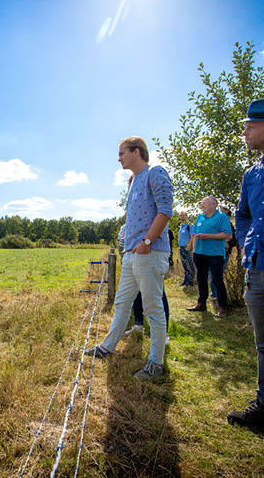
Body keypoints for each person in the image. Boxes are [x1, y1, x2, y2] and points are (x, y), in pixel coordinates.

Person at [85, 136, 173, 381]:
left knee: (152, 308)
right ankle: (106, 347)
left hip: (150, 252)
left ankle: (155, 362)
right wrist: (128, 245)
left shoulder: (156, 173)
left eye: (122, 154)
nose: (119, 159)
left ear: (136, 152)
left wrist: (146, 242)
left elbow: (166, 210)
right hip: (132, 254)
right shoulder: (133, 181)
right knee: (122, 303)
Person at [229, 99, 264, 429]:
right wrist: (246, 246)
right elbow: (242, 216)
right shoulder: (251, 176)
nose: (245, 133)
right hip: (257, 267)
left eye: (251, 127)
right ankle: (263, 404)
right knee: (262, 343)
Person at [186, 197, 232, 317]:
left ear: (214, 204)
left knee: (217, 280)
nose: (202, 206)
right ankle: (201, 303)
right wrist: (194, 251)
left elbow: (227, 235)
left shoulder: (222, 217)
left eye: (204, 204)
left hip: (215, 254)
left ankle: (223, 307)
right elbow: (195, 234)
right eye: (202, 204)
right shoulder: (200, 217)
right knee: (201, 279)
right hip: (200, 254)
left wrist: (208, 236)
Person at [209, 206, 237, 299]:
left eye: (223, 213)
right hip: (212, 253)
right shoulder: (215, 224)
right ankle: (214, 294)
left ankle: (218, 295)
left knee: (217, 275)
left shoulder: (230, 226)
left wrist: (227, 243)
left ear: (228, 216)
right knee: (212, 274)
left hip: (224, 254)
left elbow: (234, 241)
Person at [178, 211, 195, 286]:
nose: (182, 217)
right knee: (184, 265)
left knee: (190, 264)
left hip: (187, 248)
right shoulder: (181, 226)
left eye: (183, 215)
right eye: (180, 216)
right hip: (181, 248)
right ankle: (186, 280)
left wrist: (189, 245)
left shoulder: (190, 225)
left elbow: (193, 236)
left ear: (186, 216)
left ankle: (191, 281)